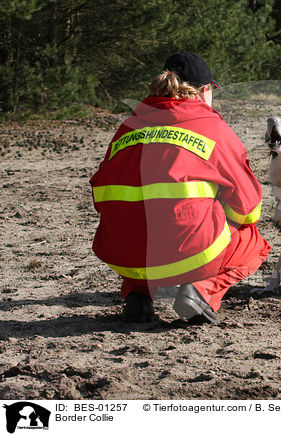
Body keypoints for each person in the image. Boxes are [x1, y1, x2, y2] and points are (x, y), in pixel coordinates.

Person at [90, 52, 271, 324]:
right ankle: (201, 293)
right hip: (186, 254)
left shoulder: (128, 126)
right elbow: (248, 209)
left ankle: (137, 295)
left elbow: (101, 192)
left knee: (141, 216)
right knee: (254, 242)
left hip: (123, 253)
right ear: (204, 91)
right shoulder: (213, 129)